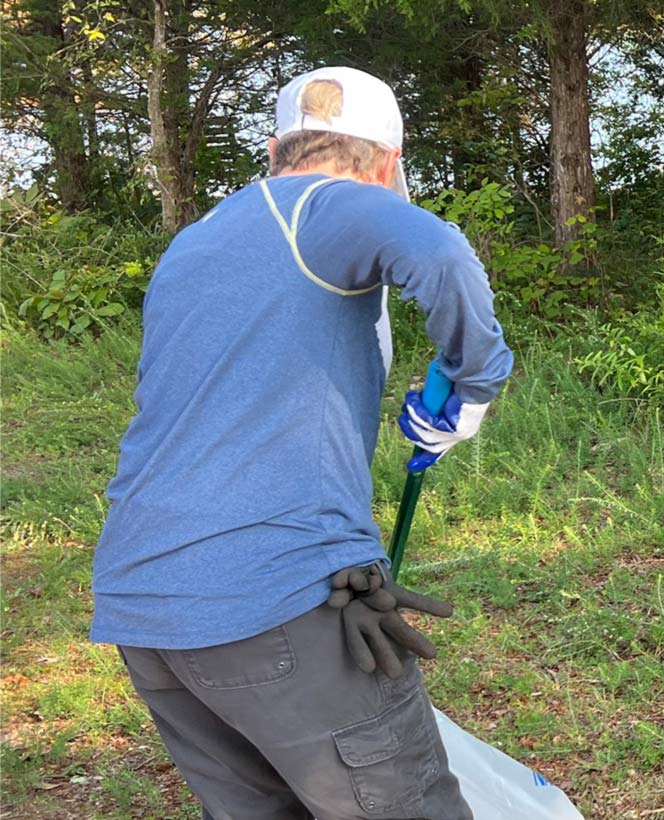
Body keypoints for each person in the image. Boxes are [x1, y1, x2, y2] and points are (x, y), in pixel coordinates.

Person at [90, 66, 514, 819]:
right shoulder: (328, 203)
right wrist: (472, 384)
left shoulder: (199, 239)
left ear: (272, 147)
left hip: (145, 609)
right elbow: (441, 254)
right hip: (268, 603)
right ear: (387, 163)